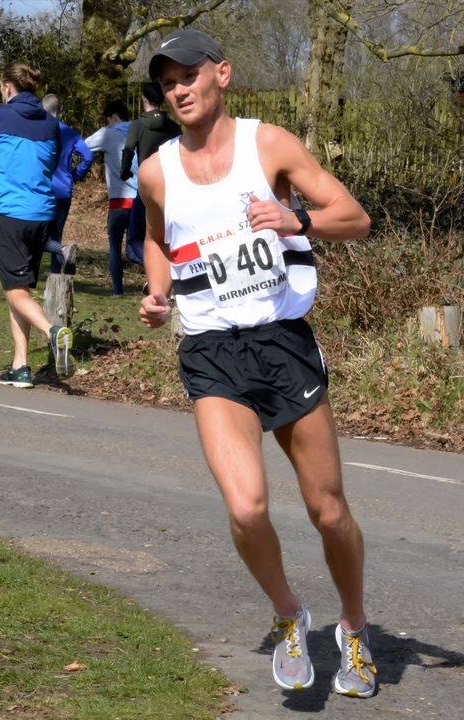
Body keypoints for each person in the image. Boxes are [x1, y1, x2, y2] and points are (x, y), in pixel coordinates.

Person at [138, 30, 377, 698]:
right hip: (211, 349)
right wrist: (157, 292)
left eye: (188, 75)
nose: (178, 90)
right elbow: (156, 239)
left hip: (282, 342)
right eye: (167, 84)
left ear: (222, 74)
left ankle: (354, 626)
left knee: (328, 511)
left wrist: (297, 221)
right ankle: (289, 614)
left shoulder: (267, 144)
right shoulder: (156, 170)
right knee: (245, 508)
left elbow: (355, 218)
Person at [0, 62, 75, 388]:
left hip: (12, 217)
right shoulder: (51, 123)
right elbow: (51, 161)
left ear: (7, 87)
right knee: (19, 290)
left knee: (16, 291)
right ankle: (20, 366)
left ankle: (53, 332)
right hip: (43, 216)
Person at [120, 81, 182, 260]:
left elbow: (129, 149)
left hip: (147, 188)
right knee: (167, 237)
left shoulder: (137, 125)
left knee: (134, 239)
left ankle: (159, 267)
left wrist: (125, 172)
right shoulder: (174, 127)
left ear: (143, 99)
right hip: (170, 189)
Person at [85, 99, 140, 297]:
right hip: (141, 200)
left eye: (108, 120)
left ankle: (118, 291)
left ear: (114, 118)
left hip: (119, 200)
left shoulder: (109, 133)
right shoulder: (140, 130)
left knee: (115, 247)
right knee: (139, 246)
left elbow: (83, 146)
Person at [41, 92, 93, 276]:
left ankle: (31, 274)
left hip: (43, 189)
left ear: (42, 110)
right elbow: (88, 156)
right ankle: (56, 275)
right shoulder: (70, 133)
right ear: (61, 110)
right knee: (56, 234)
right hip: (63, 190)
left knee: (38, 234)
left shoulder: (38, 131)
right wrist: (74, 175)